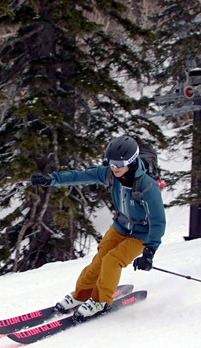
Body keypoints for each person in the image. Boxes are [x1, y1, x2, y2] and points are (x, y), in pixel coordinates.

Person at [30, 135, 166, 320]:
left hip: (141, 234)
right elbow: (81, 175)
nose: (115, 168)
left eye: (120, 164)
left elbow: (158, 221)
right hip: (120, 226)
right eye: (112, 163)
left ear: (132, 162)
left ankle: (101, 302)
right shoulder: (110, 174)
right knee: (99, 260)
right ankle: (81, 296)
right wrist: (51, 180)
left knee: (112, 260)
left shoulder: (147, 186)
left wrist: (149, 252)